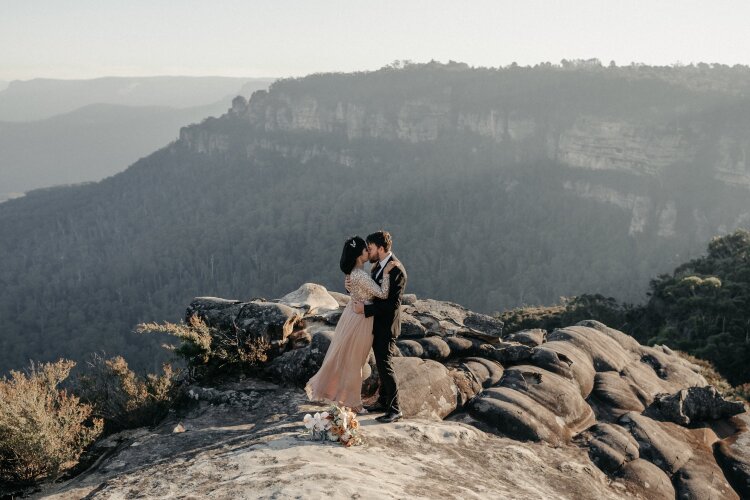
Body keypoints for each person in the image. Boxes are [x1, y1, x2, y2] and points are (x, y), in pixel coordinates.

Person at [305, 236, 396, 413]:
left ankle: (345, 398)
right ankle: (353, 403)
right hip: (360, 321)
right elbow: (383, 294)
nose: (368, 252)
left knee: (350, 359)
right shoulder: (359, 275)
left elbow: (358, 288)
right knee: (355, 361)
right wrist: (386, 274)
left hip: (352, 316)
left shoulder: (354, 274)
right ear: (358, 255)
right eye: (365, 250)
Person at [351, 230, 406, 423]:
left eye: (371, 248)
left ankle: (395, 409)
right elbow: (371, 291)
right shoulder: (377, 267)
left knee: (386, 366)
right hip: (377, 325)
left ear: (381, 248)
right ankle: (383, 402)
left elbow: (393, 305)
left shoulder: (397, 270)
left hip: (387, 326)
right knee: (382, 367)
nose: (368, 251)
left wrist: (365, 311)